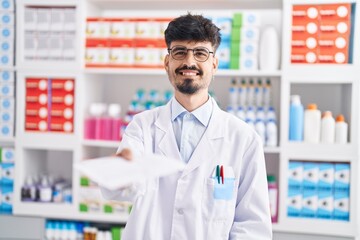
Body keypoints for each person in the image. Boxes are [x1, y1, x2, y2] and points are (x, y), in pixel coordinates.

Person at [101, 13, 272, 239]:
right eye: (179, 52)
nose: (189, 62)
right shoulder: (142, 127)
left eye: (200, 53)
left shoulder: (244, 138)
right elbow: (118, 189)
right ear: (167, 62)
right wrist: (122, 170)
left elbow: (253, 227)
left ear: (214, 64)